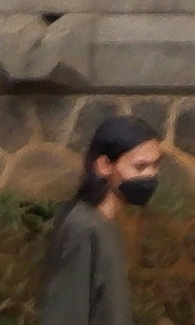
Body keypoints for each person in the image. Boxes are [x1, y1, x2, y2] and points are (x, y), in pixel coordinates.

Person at [36, 108, 156, 325]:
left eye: (155, 165)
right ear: (105, 165)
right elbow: (65, 314)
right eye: (140, 166)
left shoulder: (104, 226)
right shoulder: (84, 228)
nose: (151, 175)